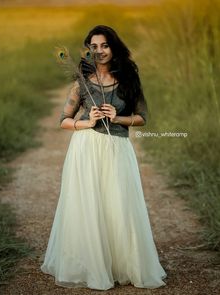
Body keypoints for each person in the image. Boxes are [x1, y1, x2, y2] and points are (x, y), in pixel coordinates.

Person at [40, 25, 167, 290]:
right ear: (88, 50)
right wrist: (88, 121)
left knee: (118, 204)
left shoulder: (129, 80)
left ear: (114, 46)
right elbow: (63, 120)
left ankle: (121, 264)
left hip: (117, 149)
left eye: (105, 45)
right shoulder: (81, 83)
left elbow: (142, 118)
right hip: (86, 149)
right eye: (94, 47)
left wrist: (117, 117)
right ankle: (92, 264)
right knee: (89, 205)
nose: (99, 51)